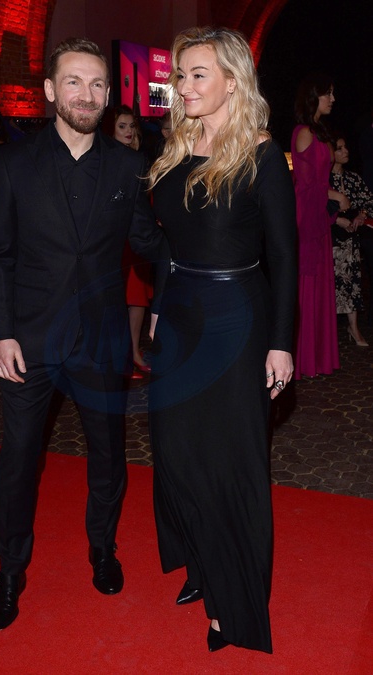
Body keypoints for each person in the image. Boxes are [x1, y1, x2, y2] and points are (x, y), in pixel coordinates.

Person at [0, 37, 168, 632]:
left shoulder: (128, 167)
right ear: (49, 90)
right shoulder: (15, 164)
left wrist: (214, 255)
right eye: (73, 82)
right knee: (18, 461)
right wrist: (2, 334)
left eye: (96, 84)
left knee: (108, 455)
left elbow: (150, 244)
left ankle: (103, 549)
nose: (85, 95)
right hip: (29, 341)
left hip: (101, 340)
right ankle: (9, 572)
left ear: (108, 94)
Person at [147, 27, 296, 654]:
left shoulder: (262, 155)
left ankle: (231, 604)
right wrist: (159, 303)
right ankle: (203, 562)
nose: (183, 86)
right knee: (177, 454)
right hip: (180, 318)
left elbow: (284, 258)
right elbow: (168, 242)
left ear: (232, 81)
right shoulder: (177, 145)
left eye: (198, 74)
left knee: (230, 463)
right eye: (181, 75)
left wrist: (281, 343)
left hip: (237, 320)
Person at [291, 73, 349, 379]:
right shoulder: (303, 132)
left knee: (319, 286)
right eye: (329, 93)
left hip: (318, 220)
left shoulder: (320, 132)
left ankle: (317, 358)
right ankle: (304, 359)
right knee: (307, 286)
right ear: (314, 96)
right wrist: (335, 195)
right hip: (307, 221)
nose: (333, 99)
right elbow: (305, 186)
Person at [112, 105, 153, 376]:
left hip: (137, 237)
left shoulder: (140, 159)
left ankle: (134, 352)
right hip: (114, 239)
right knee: (116, 298)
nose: (128, 131)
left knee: (138, 297)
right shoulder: (104, 158)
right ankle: (119, 356)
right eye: (121, 126)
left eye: (131, 126)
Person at [331, 136, 373, 345]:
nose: (345, 151)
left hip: (350, 239)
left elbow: (369, 201)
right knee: (330, 284)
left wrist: (361, 216)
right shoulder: (323, 180)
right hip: (329, 238)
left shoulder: (353, 178)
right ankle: (328, 332)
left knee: (352, 282)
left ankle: (354, 328)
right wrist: (336, 220)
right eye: (339, 148)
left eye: (345, 147)